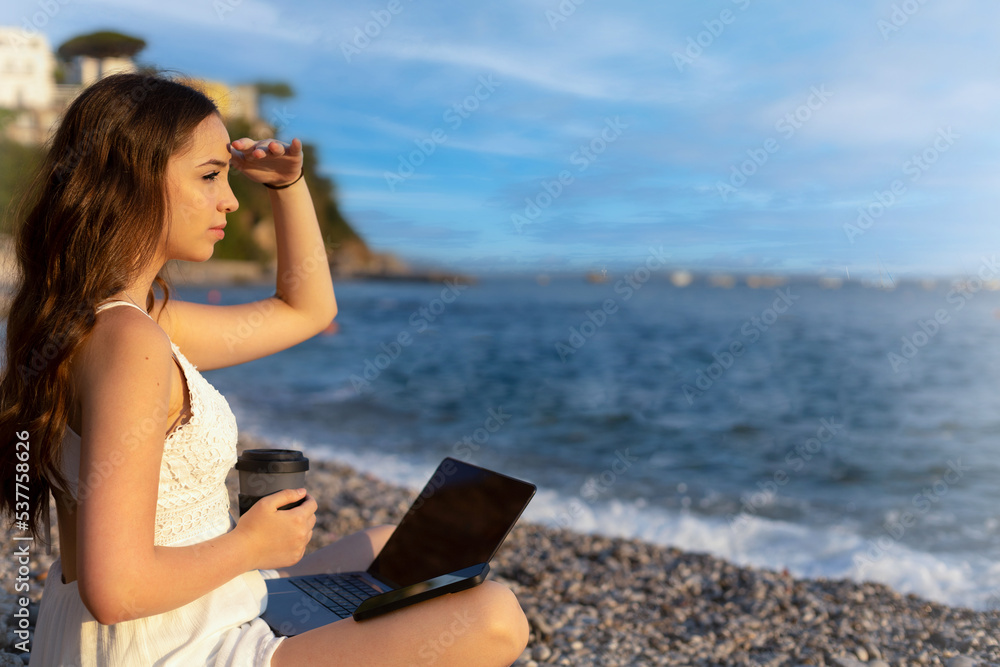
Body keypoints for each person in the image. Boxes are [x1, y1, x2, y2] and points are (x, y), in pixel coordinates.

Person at [0, 72, 529, 666]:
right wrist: (250, 544)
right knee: (495, 618)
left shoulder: (115, 320)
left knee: (397, 549)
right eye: (207, 176)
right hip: (168, 646)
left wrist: (289, 187)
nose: (227, 198)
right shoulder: (128, 342)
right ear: (134, 184)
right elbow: (116, 590)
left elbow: (305, 310)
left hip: (185, 609)